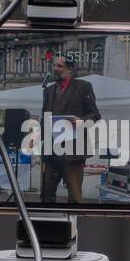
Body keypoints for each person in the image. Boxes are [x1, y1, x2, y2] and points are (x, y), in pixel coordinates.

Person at [40, 56, 100, 204]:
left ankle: (73, 223)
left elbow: (95, 114)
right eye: (54, 65)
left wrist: (82, 121)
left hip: (73, 149)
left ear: (70, 69)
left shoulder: (83, 87)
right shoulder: (48, 90)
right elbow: (45, 115)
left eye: (59, 66)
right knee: (46, 193)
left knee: (74, 195)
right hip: (52, 149)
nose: (55, 68)